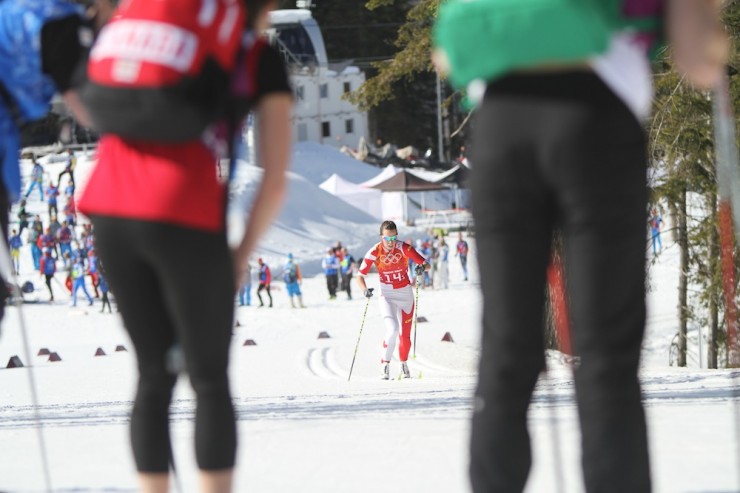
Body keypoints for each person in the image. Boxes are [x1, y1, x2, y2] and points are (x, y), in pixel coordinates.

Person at [433, 0, 727, 492]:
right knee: (604, 354)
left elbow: (449, 54)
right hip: (596, 123)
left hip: (502, 126)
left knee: (506, 346)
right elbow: (699, 60)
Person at [77, 1, 292, 491]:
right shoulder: (256, 55)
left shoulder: (146, 25)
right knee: (209, 380)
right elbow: (275, 180)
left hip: (108, 208)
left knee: (152, 376)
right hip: (184, 211)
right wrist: (238, 257)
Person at [357, 220, 429, 380]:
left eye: (393, 238)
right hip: (387, 295)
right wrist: (364, 290)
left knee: (405, 337)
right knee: (392, 329)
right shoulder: (374, 251)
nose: (391, 242)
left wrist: (421, 267)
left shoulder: (403, 247)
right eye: (387, 238)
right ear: (381, 237)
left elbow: (426, 264)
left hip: (405, 295)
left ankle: (403, 363)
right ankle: (385, 364)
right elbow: (360, 275)